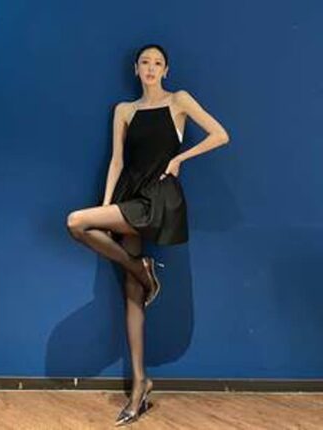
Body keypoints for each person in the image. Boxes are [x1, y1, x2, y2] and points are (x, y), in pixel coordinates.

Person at [66, 43, 230, 426]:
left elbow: (221, 135)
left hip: (159, 196)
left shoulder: (179, 100)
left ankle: (142, 269)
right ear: (136, 69)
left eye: (158, 63)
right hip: (129, 193)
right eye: (145, 62)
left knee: (75, 221)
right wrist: (107, 207)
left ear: (166, 70)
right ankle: (140, 384)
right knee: (131, 292)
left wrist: (179, 159)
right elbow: (117, 161)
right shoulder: (124, 110)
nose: (151, 68)